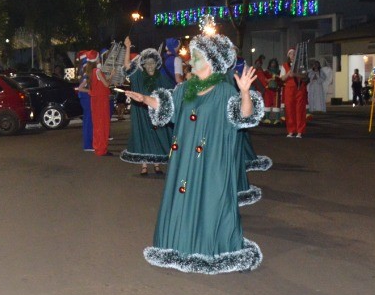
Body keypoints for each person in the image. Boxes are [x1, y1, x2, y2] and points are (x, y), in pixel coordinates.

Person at [124, 20, 265, 275]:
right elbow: (168, 107)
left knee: (212, 201)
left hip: (212, 162)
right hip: (185, 161)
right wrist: (144, 99)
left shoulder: (224, 91)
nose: (192, 61)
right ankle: (180, 246)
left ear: (211, 62)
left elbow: (244, 116)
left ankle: (214, 249)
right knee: (183, 197)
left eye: (197, 57)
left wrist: (245, 92)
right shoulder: (186, 89)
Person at [121, 45, 174, 174]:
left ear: (157, 64)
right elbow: (127, 66)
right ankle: (144, 165)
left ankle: (156, 164)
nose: (150, 66)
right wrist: (127, 47)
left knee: (157, 136)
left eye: (152, 63)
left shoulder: (162, 78)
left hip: (155, 113)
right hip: (141, 112)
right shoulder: (138, 76)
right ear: (143, 65)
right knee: (143, 136)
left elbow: (171, 95)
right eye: (147, 63)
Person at [89, 48, 113, 156]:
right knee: (103, 125)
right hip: (101, 101)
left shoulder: (90, 71)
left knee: (97, 125)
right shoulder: (97, 71)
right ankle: (102, 149)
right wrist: (112, 75)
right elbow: (106, 84)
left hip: (95, 101)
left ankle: (98, 147)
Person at [282, 57, 308, 139]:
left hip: (299, 89)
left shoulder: (301, 65)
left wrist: (295, 74)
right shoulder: (285, 66)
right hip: (289, 90)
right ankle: (291, 130)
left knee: (300, 109)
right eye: (290, 54)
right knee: (289, 110)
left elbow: (305, 76)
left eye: (294, 54)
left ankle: (300, 131)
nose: (292, 56)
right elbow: (282, 78)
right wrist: (288, 74)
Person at [75, 52, 95, 152]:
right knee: (88, 122)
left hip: (85, 98)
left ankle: (89, 143)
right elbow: (80, 88)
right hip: (86, 99)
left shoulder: (84, 75)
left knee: (88, 121)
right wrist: (91, 91)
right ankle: (88, 145)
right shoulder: (86, 76)